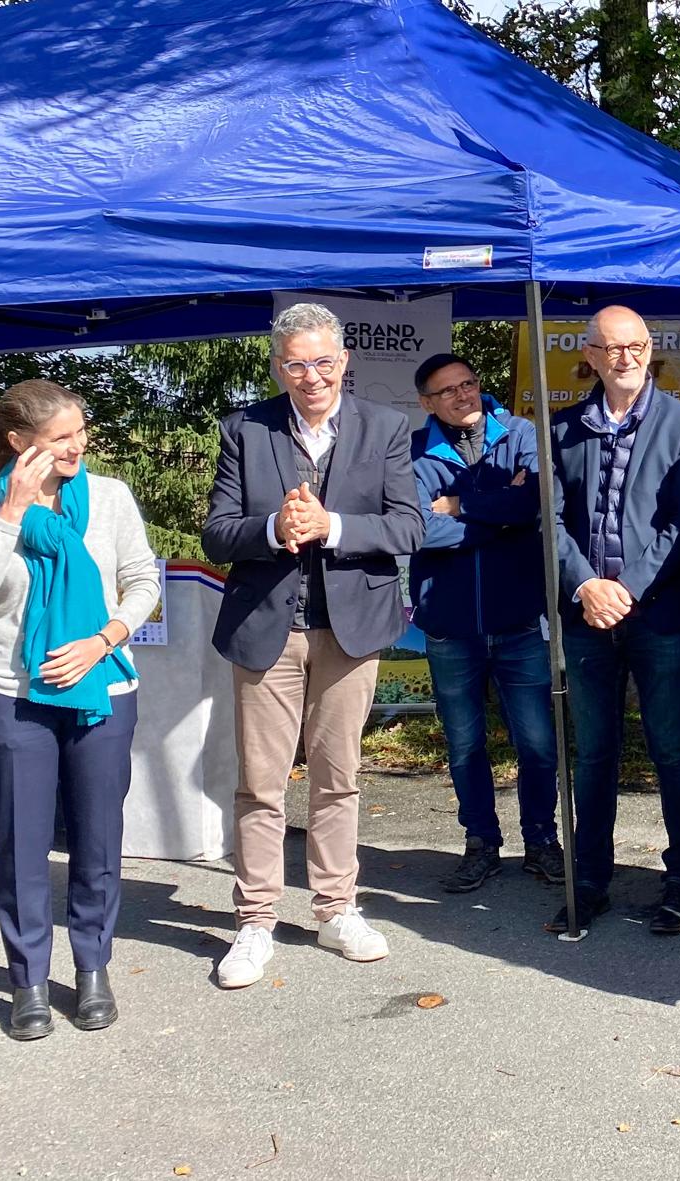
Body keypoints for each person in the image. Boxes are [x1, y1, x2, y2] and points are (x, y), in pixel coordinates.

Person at [202, 302, 424, 988]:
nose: (312, 376)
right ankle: (255, 921)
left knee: (338, 776)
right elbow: (217, 532)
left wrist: (330, 527)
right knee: (261, 784)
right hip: (268, 628)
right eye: (297, 363)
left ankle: (336, 908)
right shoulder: (246, 427)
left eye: (323, 362)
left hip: (350, 632)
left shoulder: (385, 427)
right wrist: (273, 527)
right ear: (279, 366)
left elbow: (409, 527)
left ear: (344, 363)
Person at [0, 379, 160, 1039]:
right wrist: (10, 513)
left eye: (81, 431)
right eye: (61, 436)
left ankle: (93, 966)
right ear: (18, 442)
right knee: (20, 845)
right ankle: (28, 979)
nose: (78, 445)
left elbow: (142, 582)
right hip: (12, 696)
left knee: (98, 838)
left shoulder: (108, 498)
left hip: (101, 690)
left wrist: (101, 641)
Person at [544, 305, 680, 936]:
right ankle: (589, 879)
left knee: (671, 748)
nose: (626, 357)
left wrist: (627, 589)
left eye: (637, 346)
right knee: (593, 753)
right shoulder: (561, 430)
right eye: (612, 348)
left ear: (651, 351)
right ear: (589, 355)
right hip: (587, 615)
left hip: (660, 616)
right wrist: (588, 585)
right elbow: (550, 521)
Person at [409, 351, 563, 892]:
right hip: (450, 625)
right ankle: (481, 842)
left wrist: (457, 505)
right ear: (428, 403)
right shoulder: (413, 453)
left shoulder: (520, 433)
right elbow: (416, 532)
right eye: (448, 390)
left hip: (518, 620)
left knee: (539, 743)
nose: (463, 395)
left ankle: (542, 839)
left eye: (468, 383)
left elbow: (532, 508)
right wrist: (492, 512)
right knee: (465, 744)